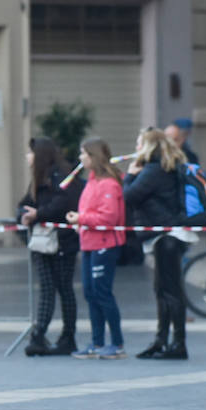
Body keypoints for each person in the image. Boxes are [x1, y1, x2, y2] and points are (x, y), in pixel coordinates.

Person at [124, 128, 193, 359]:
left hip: (166, 236)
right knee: (162, 289)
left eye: (138, 143)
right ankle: (162, 340)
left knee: (170, 291)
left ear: (147, 146)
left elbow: (130, 196)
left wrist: (131, 175)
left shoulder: (153, 170)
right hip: (168, 235)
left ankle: (177, 343)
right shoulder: (164, 167)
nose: (135, 148)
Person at [17, 136, 83, 356]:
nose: (27, 156)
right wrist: (24, 214)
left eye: (30, 152)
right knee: (47, 287)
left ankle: (68, 336)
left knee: (64, 287)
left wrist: (39, 214)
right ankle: (39, 335)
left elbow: (63, 202)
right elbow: (25, 203)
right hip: (44, 241)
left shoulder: (61, 176)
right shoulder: (39, 179)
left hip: (63, 241)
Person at [65, 138, 127, 359]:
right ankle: (97, 342)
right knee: (91, 293)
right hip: (89, 242)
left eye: (83, 154)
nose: (80, 158)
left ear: (93, 157)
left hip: (105, 244)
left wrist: (81, 218)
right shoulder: (92, 181)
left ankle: (117, 343)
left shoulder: (109, 184)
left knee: (102, 293)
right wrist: (81, 221)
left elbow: (108, 217)